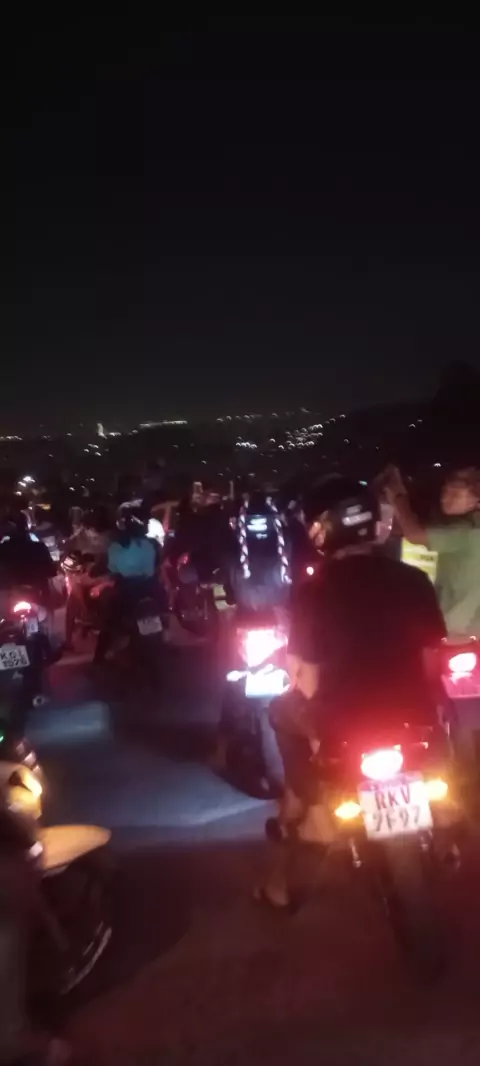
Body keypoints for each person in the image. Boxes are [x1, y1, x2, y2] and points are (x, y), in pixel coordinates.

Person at [258, 476, 446, 909]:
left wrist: (319, 725)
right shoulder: (414, 579)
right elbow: (430, 661)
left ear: (321, 529)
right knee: (440, 713)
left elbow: (305, 678)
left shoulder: (313, 591)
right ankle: (447, 811)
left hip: (342, 724)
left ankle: (310, 807)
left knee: (279, 713)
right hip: (410, 714)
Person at [385, 465, 480, 638]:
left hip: (452, 629)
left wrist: (398, 498)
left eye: (455, 493)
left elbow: (414, 534)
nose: (445, 497)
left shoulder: (466, 532)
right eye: (445, 490)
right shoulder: (467, 527)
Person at [94, 510, 165, 664]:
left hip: (129, 591)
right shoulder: (148, 545)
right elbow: (153, 569)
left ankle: (98, 659)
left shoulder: (115, 548)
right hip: (150, 587)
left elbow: (113, 572)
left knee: (109, 620)